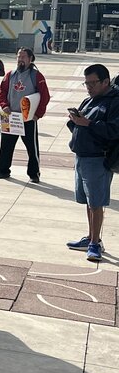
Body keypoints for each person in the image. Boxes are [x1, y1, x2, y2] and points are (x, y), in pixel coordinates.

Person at [65, 64, 119, 262]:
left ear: (106, 82)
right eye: (86, 83)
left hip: (98, 158)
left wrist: (87, 123)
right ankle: (90, 237)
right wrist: (75, 121)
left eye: (92, 83)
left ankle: (96, 243)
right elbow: (83, 123)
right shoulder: (90, 99)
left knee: (96, 203)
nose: (88, 87)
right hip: (82, 156)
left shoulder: (114, 102)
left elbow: (114, 130)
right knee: (88, 201)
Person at [0, 48, 50, 183]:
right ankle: (3, 170)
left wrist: (38, 114)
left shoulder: (37, 76)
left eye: (23, 57)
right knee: (6, 145)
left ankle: (34, 173)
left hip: (28, 118)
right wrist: (4, 105)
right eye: (18, 56)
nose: (20, 59)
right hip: (10, 116)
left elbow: (45, 96)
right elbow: (2, 92)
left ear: (30, 59)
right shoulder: (10, 75)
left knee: (32, 147)